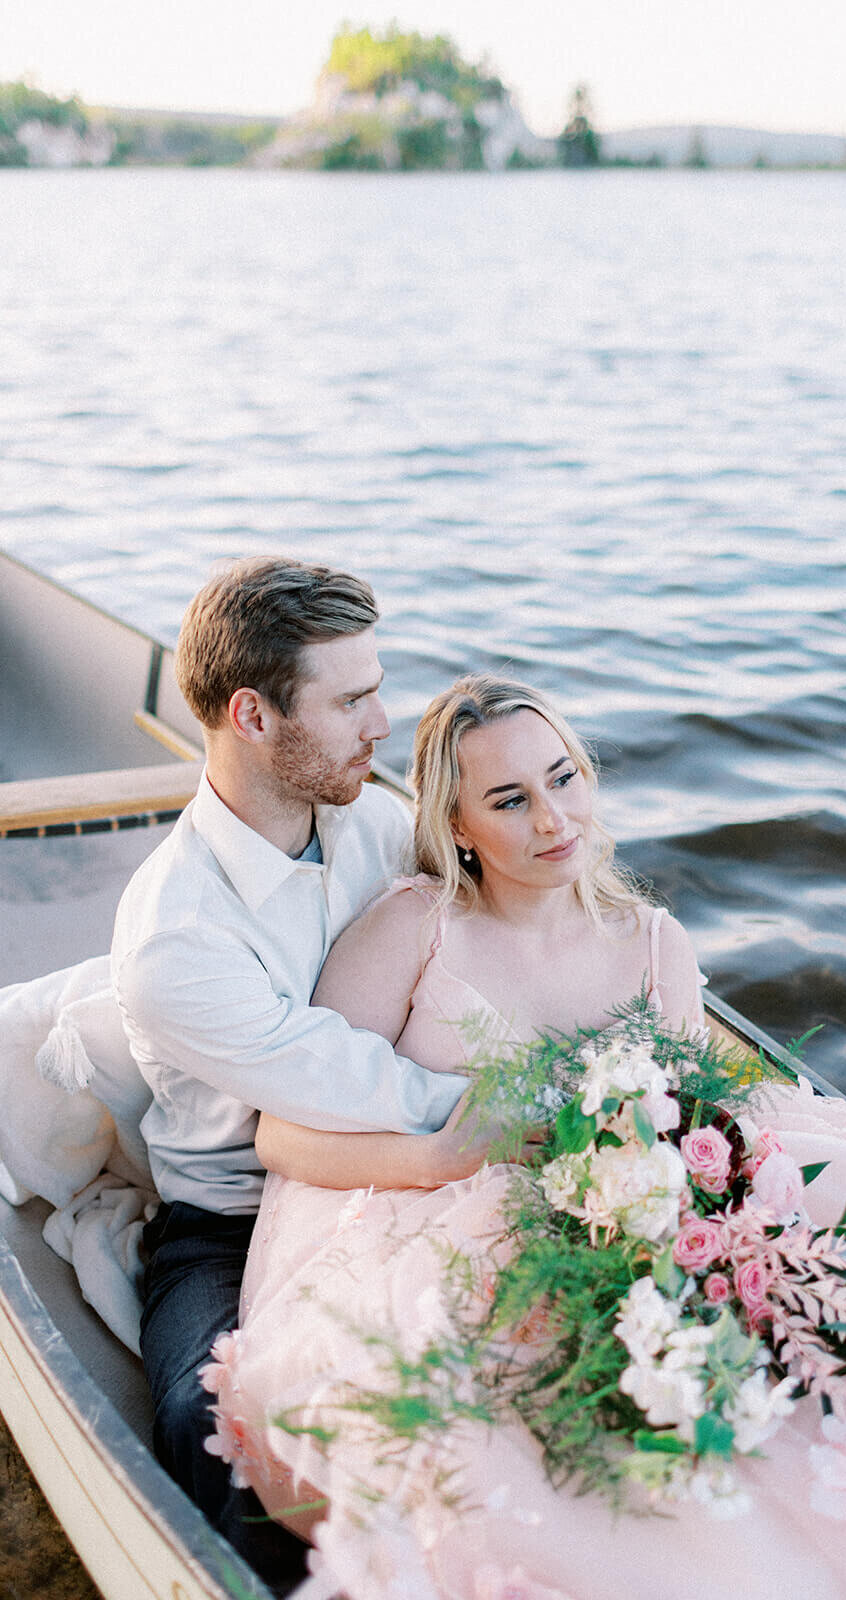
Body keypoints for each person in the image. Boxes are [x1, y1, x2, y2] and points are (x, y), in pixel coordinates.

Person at [204, 675, 846, 1600]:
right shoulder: (413, 928)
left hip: (629, 1215)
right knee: (508, 1430)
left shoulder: (652, 943)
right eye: (509, 800)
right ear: (458, 826)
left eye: (563, 777)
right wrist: (439, 1158)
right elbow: (284, 1136)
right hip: (430, 1211)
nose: (553, 818)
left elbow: (694, 1121)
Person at [110, 557, 475, 1588]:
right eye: (351, 698)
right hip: (231, 1217)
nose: (382, 721)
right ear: (253, 716)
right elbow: (359, 1081)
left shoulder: (372, 823)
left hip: (400, 1179)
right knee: (221, 1419)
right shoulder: (177, 937)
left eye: (377, 687)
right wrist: (559, 1107)